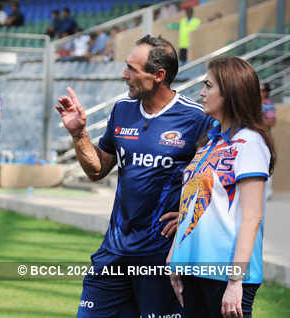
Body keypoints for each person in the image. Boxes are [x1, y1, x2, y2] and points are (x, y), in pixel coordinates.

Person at [56, 34, 214, 318]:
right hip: (114, 252)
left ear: (158, 75)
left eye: (132, 69)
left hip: (161, 258)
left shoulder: (196, 118)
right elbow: (96, 170)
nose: (123, 74)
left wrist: (192, 215)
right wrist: (78, 133)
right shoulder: (122, 110)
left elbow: (219, 179)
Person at [167, 56, 276, 318]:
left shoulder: (250, 142)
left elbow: (252, 217)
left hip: (226, 275)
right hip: (192, 269)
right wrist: (175, 256)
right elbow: (193, 202)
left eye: (208, 86)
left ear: (230, 93)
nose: (202, 93)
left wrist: (236, 282)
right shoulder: (210, 142)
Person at [261, 82, 276, 200]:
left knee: (266, 163)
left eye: (261, 90)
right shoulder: (255, 104)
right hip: (256, 137)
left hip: (264, 138)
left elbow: (271, 122)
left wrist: (257, 119)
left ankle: (267, 191)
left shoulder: (269, 105)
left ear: (266, 92)